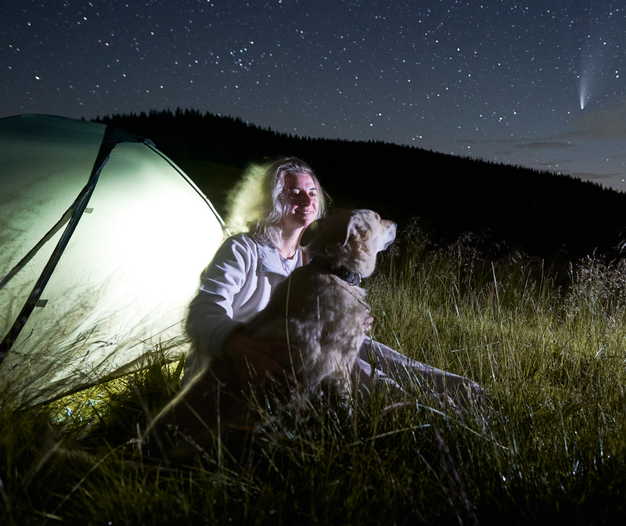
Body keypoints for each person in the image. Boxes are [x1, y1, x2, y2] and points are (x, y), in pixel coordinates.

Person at [183, 157, 479, 406]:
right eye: (293, 192)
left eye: (312, 192)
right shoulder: (242, 249)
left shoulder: (312, 260)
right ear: (270, 199)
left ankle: (467, 392)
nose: (306, 200)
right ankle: (428, 411)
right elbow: (201, 312)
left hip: (303, 353)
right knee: (345, 363)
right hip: (244, 365)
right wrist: (239, 345)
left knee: (368, 347)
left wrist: (351, 321)